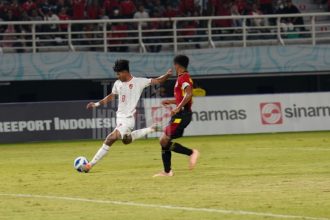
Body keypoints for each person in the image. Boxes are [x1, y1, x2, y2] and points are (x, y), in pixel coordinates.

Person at [83, 59, 173, 172]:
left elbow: (158, 81)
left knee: (110, 138)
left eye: (119, 73)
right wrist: (96, 104)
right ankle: (152, 128)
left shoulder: (139, 82)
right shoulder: (117, 83)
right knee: (126, 140)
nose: (118, 76)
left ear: (125, 72)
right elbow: (112, 96)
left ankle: (90, 165)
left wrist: (167, 75)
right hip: (119, 118)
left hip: (128, 120)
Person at [154, 55, 199, 177]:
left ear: (177, 65)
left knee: (164, 140)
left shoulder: (184, 78)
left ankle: (191, 153)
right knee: (164, 141)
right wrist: (172, 102)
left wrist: (178, 107)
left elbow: (189, 94)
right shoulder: (182, 78)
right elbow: (185, 97)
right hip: (181, 114)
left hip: (182, 115)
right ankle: (167, 171)